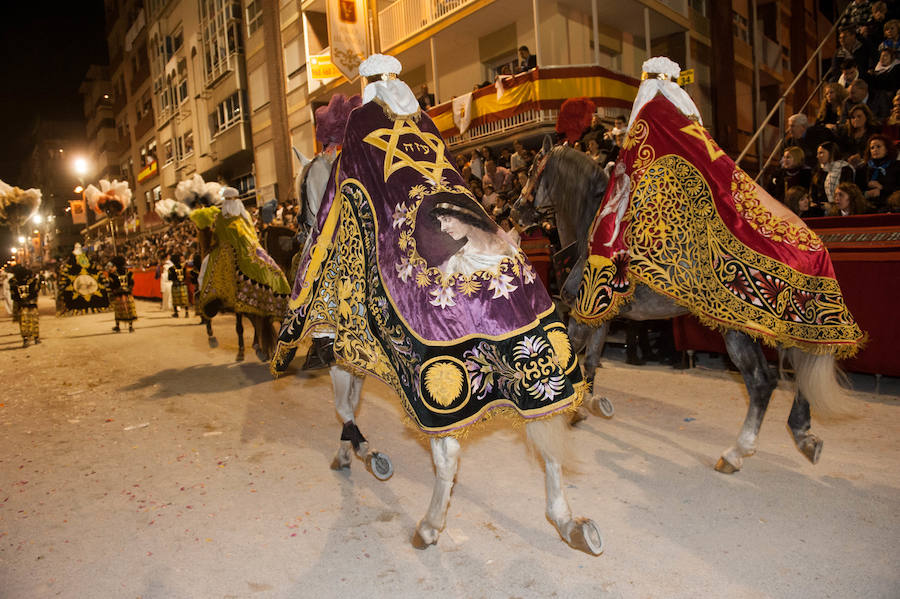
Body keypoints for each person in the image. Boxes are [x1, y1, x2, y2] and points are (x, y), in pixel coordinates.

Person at [273, 53, 585, 437]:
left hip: (410, 226)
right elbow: (450, 174)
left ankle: (331, 333)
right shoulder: (424, 120)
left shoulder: (360, 121)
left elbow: (343, 192)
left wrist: (314, 262)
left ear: (368, 87)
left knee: (348, 267)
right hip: (460, 213)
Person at [431, 199, 516, 276]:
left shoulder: (505, 244)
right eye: (441, 222)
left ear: (465, 216)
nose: (443, 228)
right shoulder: (458, 262)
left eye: (446, 219)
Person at [854, 133, 900, 211]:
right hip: (866, 205)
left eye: (878, 146)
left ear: (887, 149)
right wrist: (867, 194)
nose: (875, 150)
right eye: (872, 148)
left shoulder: (897, 166)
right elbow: (854, 191)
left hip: (890, 205)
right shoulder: (862, 169)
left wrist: (882, 188)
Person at [810, 141, 855, 210]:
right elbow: (813, 193)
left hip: (840, 209)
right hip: (821, 210)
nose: (817, 156)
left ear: (831, 152)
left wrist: (832, 206)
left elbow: (847, 191)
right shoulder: (819, 171)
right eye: (817, 153)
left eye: (821, 153)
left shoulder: (845, 169)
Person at [837, 103, 879, 167]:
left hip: (868, 163)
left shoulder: (874, 131)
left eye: (859, 116)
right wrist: (848, 157)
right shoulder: (845, 132)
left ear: (866, 117)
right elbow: (840, 149)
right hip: (847, 163)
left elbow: (875, 149)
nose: (855, 119)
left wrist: (860, 156)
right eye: (853, 117)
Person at [9, 265, 40, 347]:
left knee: (24, 322)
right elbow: (36, 291)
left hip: (22, 305)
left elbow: (13, 296)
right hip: (32, 304)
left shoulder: (13, 282)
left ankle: (26, 339)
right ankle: (36, 338)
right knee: (34, 321)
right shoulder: (33, 280)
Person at [107, 255, 137, 333]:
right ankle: (130, 327)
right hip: (127, 293)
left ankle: (118, 326)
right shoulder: (129, 272)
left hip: (118, 294)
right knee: (129, 309)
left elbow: (112, 285)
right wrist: (129, 289)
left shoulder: (112, 274)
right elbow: (132, 283)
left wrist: (113, 291)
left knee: (118, 310)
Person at [168, 254, 191, 318]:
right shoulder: (183, 267)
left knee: (175, 300)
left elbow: (169, 278)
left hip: (175, 285)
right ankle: (186, 312)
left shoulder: (171, 269)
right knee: (185, 299)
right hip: (183, 285)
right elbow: (186, 276)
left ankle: (176, 313)